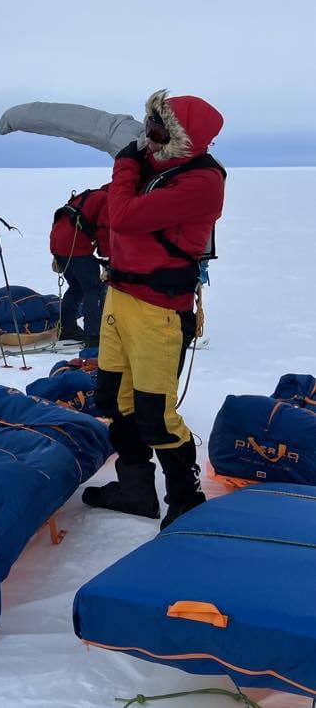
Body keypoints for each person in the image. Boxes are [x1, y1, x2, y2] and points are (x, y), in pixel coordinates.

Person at [82, 90, 226, 529]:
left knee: (155, 413)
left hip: (158, 312)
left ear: (184, 138)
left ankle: (186, 498)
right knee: (116, 400)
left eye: (160, 129)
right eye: (149, 125)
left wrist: (124, 163)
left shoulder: (202, 182)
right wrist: (136, 160)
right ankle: (136, 491)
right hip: (120, 298)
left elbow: (122, 215)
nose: (149, 136)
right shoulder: (155, 168)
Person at [49, 185, 110, 345]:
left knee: (76, 287)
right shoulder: (106, 199)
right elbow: (104, 228)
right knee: (93, 290)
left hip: (58, 245)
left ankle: (67, 328)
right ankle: (93, 335)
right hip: (76, 249)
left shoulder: (88, 196)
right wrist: (108, 256)